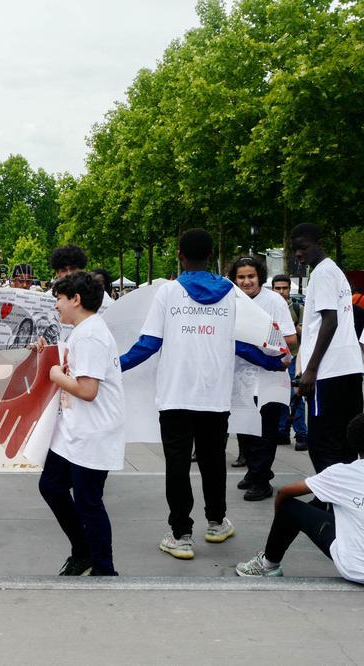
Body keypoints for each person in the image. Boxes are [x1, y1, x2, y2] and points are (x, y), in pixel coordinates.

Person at [120, 229, 287, 561]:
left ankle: (181, 534)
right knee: (214, 464)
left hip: (175, 395)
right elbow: (240, 344)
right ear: (212, 256)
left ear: (180, 255)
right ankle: (215, 523)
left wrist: (113, 365)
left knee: (177, 467)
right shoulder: (231, 294)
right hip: (215, 396)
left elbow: (149, 344)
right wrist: (273, 364)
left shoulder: (168, 293)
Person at [38, 272, 125, 576]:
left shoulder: (89, 335)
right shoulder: (84, 330)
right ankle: (84, 549)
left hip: (92, 432)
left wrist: (56, 376)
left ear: (75, 299)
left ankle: (104, 567)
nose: (56, 306)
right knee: (51, 486)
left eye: (58, 300)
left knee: (89, 502)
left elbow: (88, 390)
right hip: (75, 432)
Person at [235, 412, 364, 582]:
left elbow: (284, 493)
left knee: (288, 506)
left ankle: (267, 564)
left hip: (356, 567)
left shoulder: (341, 473)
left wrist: (280, 523)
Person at [291, 223, 364, 473]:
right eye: (294, 250)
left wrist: (310, 370)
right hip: (350, 368)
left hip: (328, 372)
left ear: (318, 243)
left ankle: (327, 502)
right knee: (345, 441)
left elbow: (329, 321)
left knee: (322, 442)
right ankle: (342, 504)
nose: (298, 254)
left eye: (303, 247)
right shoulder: (336, 271)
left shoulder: (322, 273)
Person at [228, 257, 298, 501]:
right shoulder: (230, 301)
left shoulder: (274, 301)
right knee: (244, 429)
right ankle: (252, 471)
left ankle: (262, 479)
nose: (246, 281)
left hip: (269, 375)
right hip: (239, 376)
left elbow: (291, 339)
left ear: (260, 276)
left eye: (251, 276)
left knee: (264, 430)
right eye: (241, 277)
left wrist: (261, 339)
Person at [270, 274, 307, 449]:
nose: (282, 292)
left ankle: (301, 435)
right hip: (275, 358)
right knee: (280, 398)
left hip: (293, 358)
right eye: (278, 288)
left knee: (296, 396)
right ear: (272, 289)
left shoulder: (298, 308)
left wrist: (299, 329)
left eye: (285, 288)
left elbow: (307, 334)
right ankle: (283, 432)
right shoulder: (269, 307)